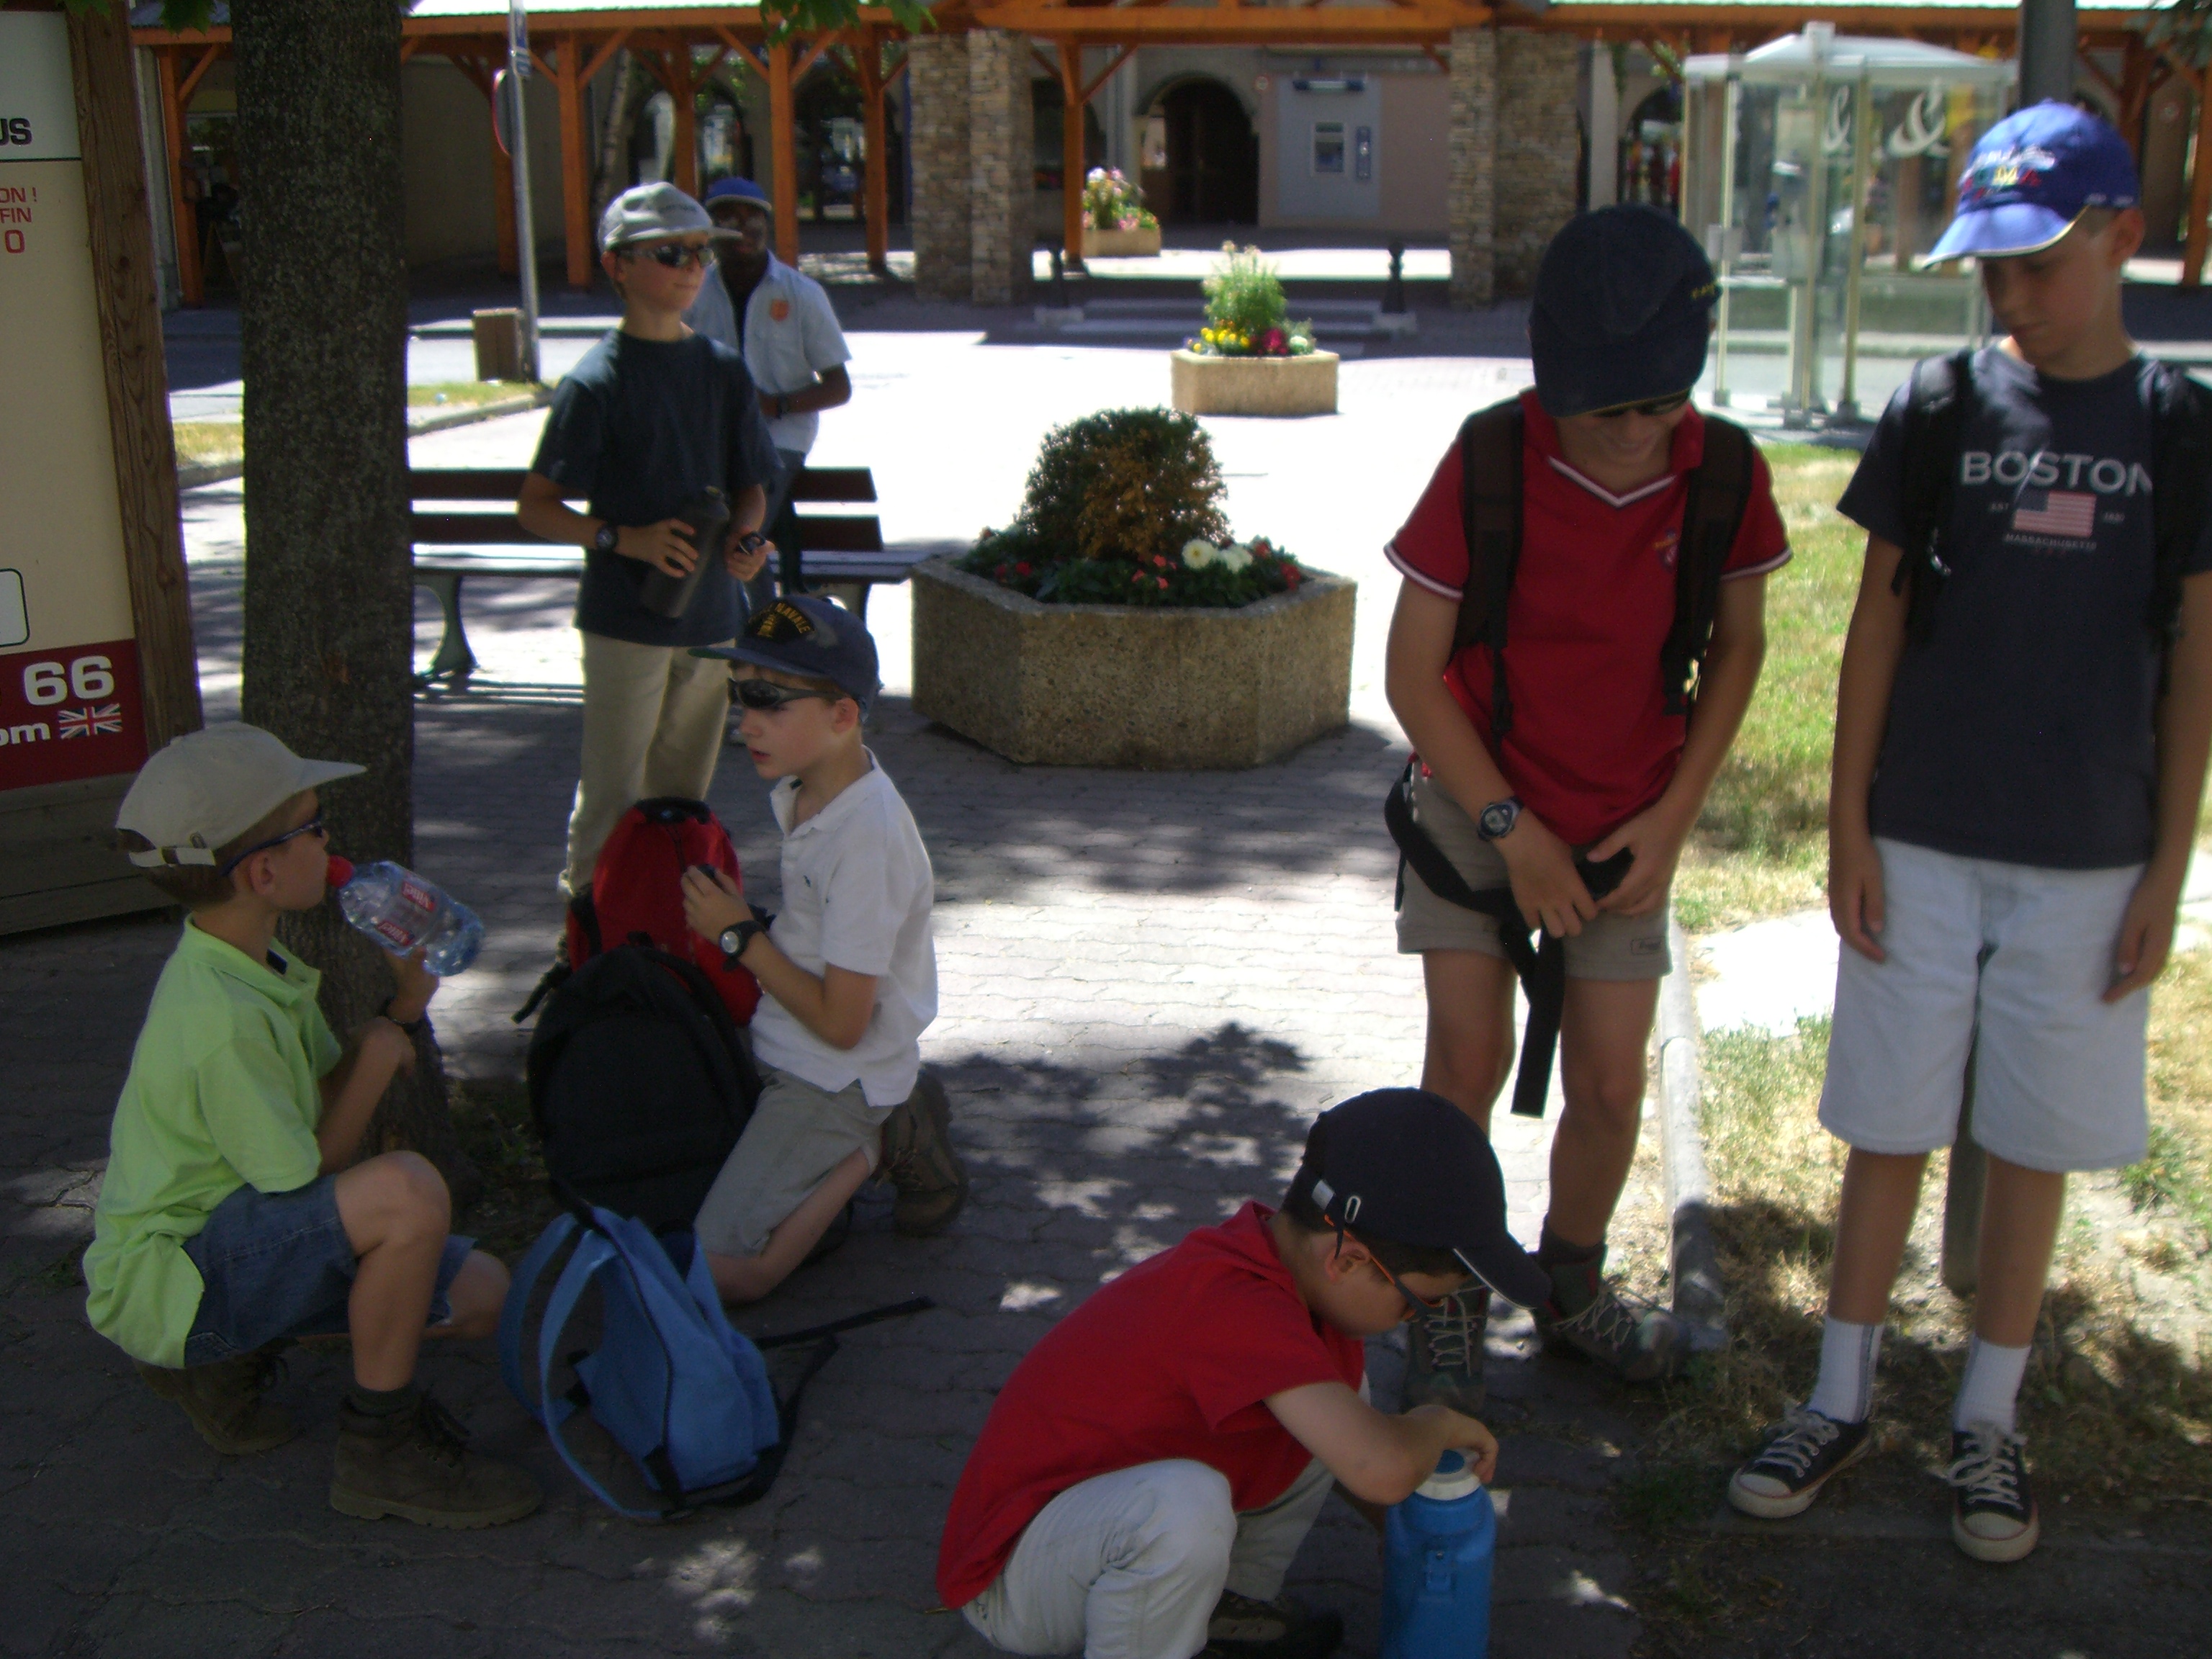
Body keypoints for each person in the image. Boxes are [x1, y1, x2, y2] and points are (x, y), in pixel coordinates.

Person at [1728, 104, 2212, 1564]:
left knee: (2032, 1139)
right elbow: (1874, 628)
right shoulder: (1941, 406)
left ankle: (1988, 1418)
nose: (2011, 294)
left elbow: (2194, 661)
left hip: (2090, 859)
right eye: (1990, 269)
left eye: (2038, 264)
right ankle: (1839, 1394)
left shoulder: (2178, 425)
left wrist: (2168, 869)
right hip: (1921, 842)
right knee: (1888, 1122)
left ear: (2123, 238)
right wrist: (1847, 827)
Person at [1382, 204, 1788, 1410]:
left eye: (1658, 404)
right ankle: (1442, 1290)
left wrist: (1671, 821)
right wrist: (1512, 831)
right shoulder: (1488, 459)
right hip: (1475, 804)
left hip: (1625, 826)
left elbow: (1740, 646)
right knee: (1468, 1058)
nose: (1631, 433)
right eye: (1602, 407)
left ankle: (1569, 1283)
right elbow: (1411, 676)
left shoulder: (1723, 474)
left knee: (1610, 1084)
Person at [86, 724, 541, 1527]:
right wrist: (377, 1058)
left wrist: (403, 1010)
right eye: (315, 827)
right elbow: (310, 1169)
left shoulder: (256, 966)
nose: (331, 844)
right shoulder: (220, 1017)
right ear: (264, 872)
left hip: (239, 1235)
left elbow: (324, 1096)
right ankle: (381, 1451)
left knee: (479, 1296)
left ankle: (218, 1364)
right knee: (406, 1194)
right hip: (175, 1273)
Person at [936, 1088, 1549, 1659]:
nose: (1415, 1321)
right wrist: (1435, 1425)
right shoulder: (1235, 1304)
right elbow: (1379, 1468)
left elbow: (1364, 1461)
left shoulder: (1288, 1277)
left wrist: (1418, 1527)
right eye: (1418, 1305)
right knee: (1184, 1508)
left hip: (1091, 1528)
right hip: (1014, 1576)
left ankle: (1221, 1610)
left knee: (1343, 1406)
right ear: (1347, 1260)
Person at [675, 595, 966, 1303]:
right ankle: (886, 1113)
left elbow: (843, 1025)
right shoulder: (813, 790)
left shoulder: (866, 839)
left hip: (834, 1073)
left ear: (843, 716)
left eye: (768, 701)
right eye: (739, 694)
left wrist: (738, 935)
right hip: (785, 1041)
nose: (745, 721)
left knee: (719, 1271)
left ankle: (881, 1139)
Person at [516, 181, 781, 926]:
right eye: (671, 253)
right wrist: (622, 538)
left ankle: (667, 943)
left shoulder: (722, 370)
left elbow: (752, 487)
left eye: (702, 253)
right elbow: (536, 506)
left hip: (710, 622)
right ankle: (584, 948)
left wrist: (746, 539)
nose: (692, 267)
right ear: (619, 266)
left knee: (682, 803)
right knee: (612, 799)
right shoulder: (596, 381)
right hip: (625, 622)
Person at [685, 176, 854, 610]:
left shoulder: (801, 294)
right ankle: (757, 632)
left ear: (768, 225)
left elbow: (839, 387)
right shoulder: (693, 292)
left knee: (740, 530)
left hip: (781, 441)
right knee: (718, 527)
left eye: (752, 217)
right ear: (711, 231)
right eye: (728, 217)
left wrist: (778, 405)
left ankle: (755, 632)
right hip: (712, 441)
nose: (742, 227)